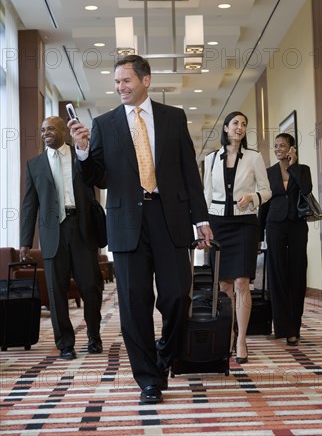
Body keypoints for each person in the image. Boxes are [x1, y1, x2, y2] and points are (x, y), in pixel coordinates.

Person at [68, 54, 213, 405]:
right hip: (127, 223)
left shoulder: (173, 118)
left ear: (145, 81)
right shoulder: (104, 123)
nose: (120, 87)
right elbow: (96, 178)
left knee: (178, 295)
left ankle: (164, 353)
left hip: (170, 219)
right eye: (116, 82)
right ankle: (148, 378)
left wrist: (202, 219)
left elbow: (189, 173)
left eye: (126, 81)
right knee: (134, 305)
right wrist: (84, 151)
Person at [20, 116, 104, 360]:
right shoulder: (34, 165)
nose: (46, 133)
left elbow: (98, 180)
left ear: (64, 132)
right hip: (52, 233)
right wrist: (26, 241)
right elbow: (29, 205)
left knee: (91, 286)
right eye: (43, 129)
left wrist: (86, 149)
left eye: (51, 129)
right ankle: (65, 343)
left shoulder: (80, 156)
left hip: (81, 228)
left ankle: (94, 336)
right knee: (56, 291)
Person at [203, 111, 271, 364]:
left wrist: (253, 198)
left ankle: (242, 338)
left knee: (243, 283)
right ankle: (228, 335)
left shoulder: (254, 158)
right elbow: (205, 196)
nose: (240, 127)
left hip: (245, 223)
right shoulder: (211, 159)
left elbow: (267, 191)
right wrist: (203, 228)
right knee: (224, 286)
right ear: (225, 128)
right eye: (235, 123)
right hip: (219, 223)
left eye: (244, 124)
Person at [258, 133, 312, 346]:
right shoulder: (268, 172)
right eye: (276, 146)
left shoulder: (302, 169)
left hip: (298, 225)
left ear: (292, 149)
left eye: (283, 146)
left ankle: (294, 328)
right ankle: (282, 327)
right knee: (277, 274)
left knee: (297, 273)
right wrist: (258, 233)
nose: (278, 149)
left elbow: (306, 190)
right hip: (275, 225)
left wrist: (294, 166)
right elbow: (263, 203)